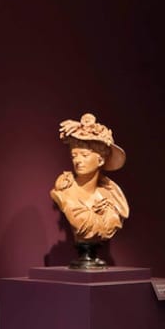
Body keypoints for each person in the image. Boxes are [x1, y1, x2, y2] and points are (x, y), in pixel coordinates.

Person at [50, 112, 129, 267]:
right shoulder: (64, 191)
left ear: (100, 160)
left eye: (84, 155)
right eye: (74, 156)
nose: (78, 161)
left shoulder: (112, 197)